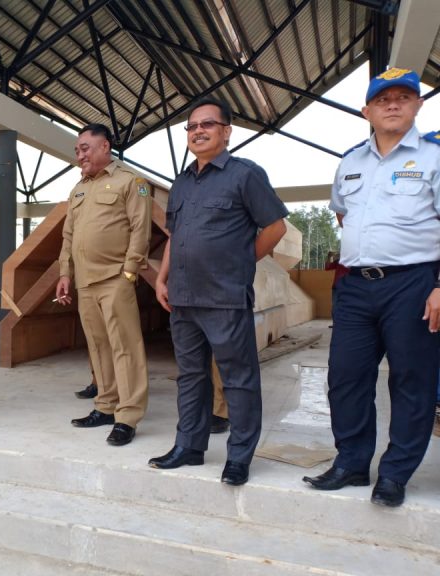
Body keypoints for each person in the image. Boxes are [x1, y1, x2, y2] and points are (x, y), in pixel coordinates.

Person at [302, 69, 440, 507]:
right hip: (357, 286)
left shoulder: (435, 157)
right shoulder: (351, 162)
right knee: (346, 377)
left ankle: (395, 474)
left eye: (404, 97)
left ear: (418, 105)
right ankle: (352, 464)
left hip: (414, 283)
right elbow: (343, 215)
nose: (394, 105)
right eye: (383, 100)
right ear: (367, 111)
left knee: (411, 381)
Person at [148, 98, 288, 486]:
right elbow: (175, 236)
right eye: (192, 126)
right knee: (191, 377)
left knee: (238, 378)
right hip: (183, 298)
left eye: (207, 124)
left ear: (227, 131)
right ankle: (189, 447)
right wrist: (162, 278)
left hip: (224, 296)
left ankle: (239, 457)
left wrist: (241, 263)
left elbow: (275, 227)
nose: (198, 131)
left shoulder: (245, 175)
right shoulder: (180, 183)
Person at [56, 123, 151, 447]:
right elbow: (68, 235)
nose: (79, 154)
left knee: (125, 347)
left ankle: (128, 415)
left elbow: (140, 230)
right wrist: (65, 273)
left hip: (114, 279)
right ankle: (106, 405)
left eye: (85, 147)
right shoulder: (78, 189)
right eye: (77, 150)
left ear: (105, 147)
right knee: (98, 346)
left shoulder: (131, 182)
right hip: (84, 282)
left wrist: (128, 272)